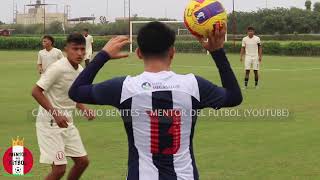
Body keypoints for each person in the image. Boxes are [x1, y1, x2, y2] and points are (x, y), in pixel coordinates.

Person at [69, 22, 242, 180]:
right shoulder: (194, 85)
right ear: (172, 52)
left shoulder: (125, 87)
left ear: (138, 53)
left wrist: (103, 55)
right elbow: (234, 97)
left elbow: (76, 91)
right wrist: (217, 51)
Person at [32, 33, 95, 180]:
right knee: (59, 169)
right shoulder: (57, 68)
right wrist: (55, 113)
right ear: (66, 49)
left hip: (66, 122)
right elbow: (36, 91)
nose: (79, 53)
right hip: (50, 123)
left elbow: (73, 95)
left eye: (82, 49)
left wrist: (84, 108)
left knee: (82, 162)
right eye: (75, 49)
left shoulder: (80, 71)